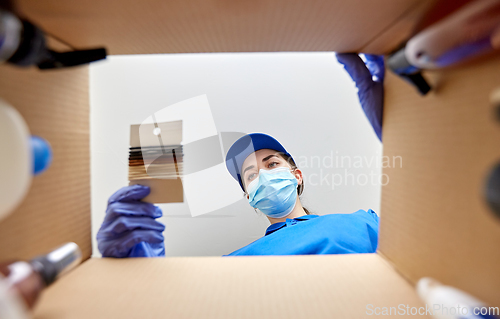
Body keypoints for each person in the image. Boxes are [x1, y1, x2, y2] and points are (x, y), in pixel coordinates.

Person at [96, 52, 385, 258]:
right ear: (250, 196)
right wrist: (140, 269)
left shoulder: (363, 222)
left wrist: (404, 131)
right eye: (251, 175)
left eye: (271, 163)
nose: (263, 175)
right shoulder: (234, 264)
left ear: (296, 176)